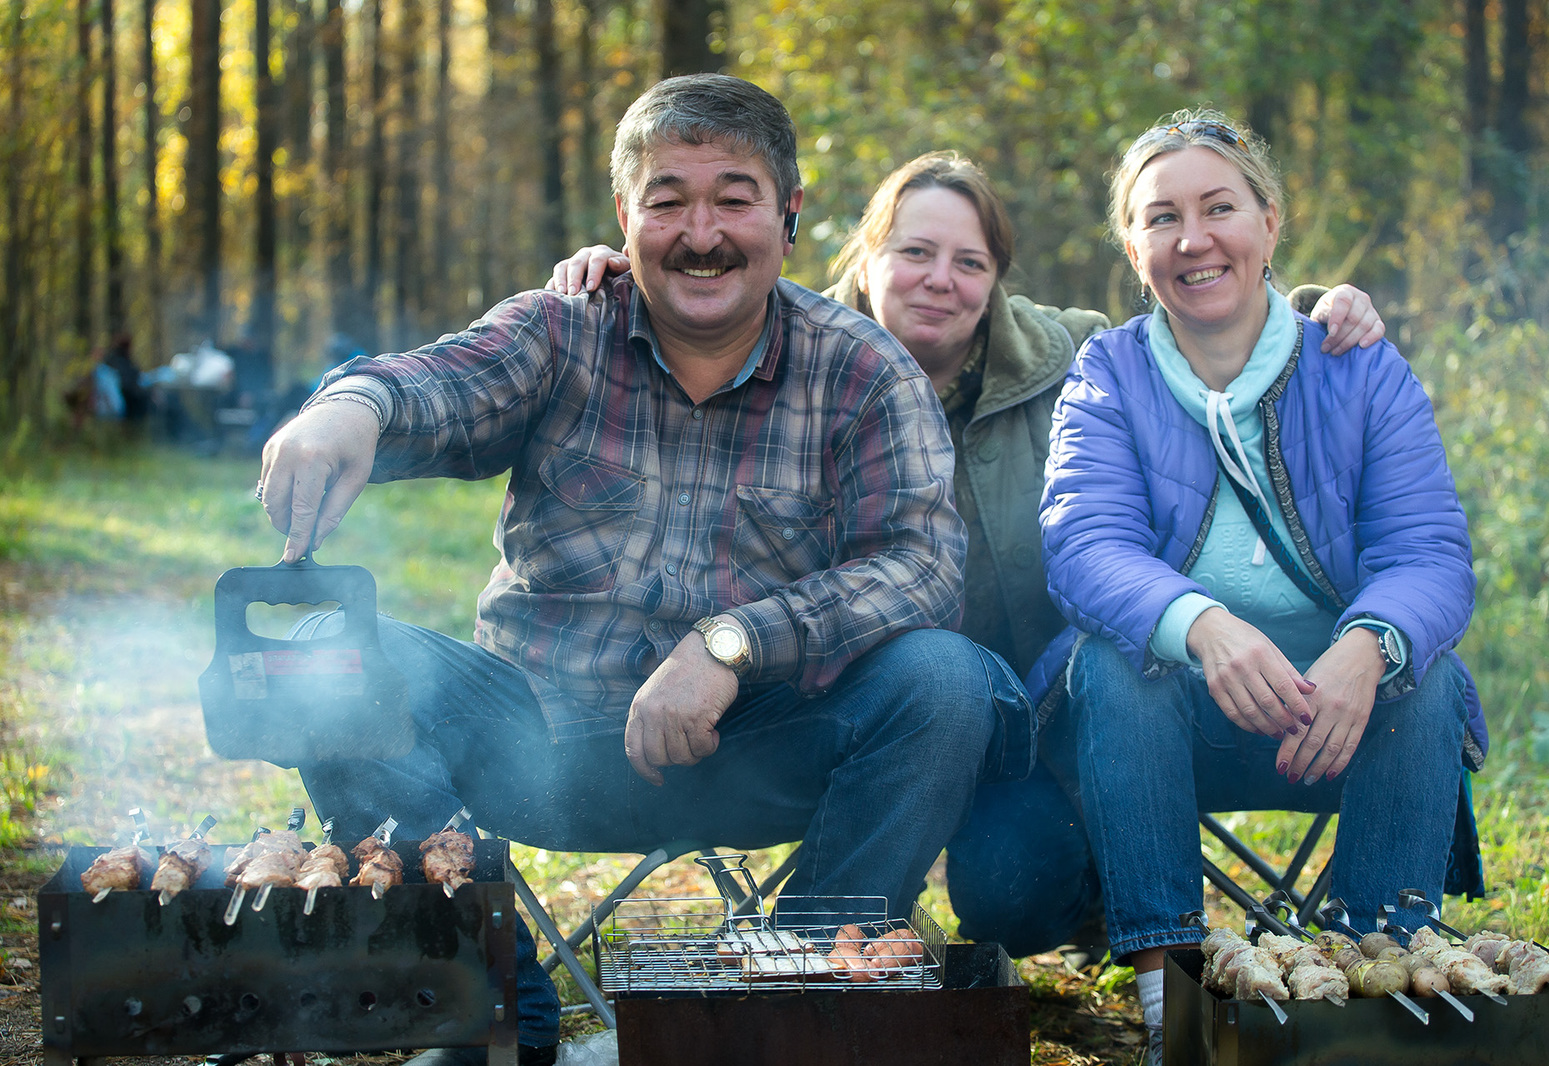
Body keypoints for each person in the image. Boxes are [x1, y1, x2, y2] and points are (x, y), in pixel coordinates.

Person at [257, 74, 1031, 1066]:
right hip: (533, 740)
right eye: (668, 200)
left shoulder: (862, 367)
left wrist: (732, 642)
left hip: (757, 746)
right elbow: (445, 382)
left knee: (944, 678)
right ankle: (489, 1011)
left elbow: (921, 566)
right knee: (334, 654)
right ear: (626, 216)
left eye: (734, 198)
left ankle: (789, 1005)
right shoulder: (559, 329)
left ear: (789, 215)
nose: (699, 232)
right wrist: (350, 407)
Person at [548, 150, 1387, 963]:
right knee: (929, 715)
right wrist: (623, 276)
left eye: (970, 261)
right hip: (834, 717)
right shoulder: (775, 347)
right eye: (914, 252)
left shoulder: (1071, 360)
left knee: (1013, 899)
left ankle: (1097, 877)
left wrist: (1312, 308)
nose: (940, 279)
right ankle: (825, 951)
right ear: (865, 253)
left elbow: (1201, 324)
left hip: (1026, 724)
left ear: (996, 280)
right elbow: (690, 311)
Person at [1030, 109, 1484, 1064]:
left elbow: (1431, 552)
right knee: (1112, 667)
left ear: (1270, 222)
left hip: (1335, 709)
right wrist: (1202, 626)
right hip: (1171, 720)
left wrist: (1367, 648)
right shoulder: (1106, 374)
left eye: (1219, 207)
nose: (1193, 239)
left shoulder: (1359, 366)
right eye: (1161, 218)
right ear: (1132, 244)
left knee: (1429, 675)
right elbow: (1083, 545)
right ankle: (1173, 1017)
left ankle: (1377, 990)